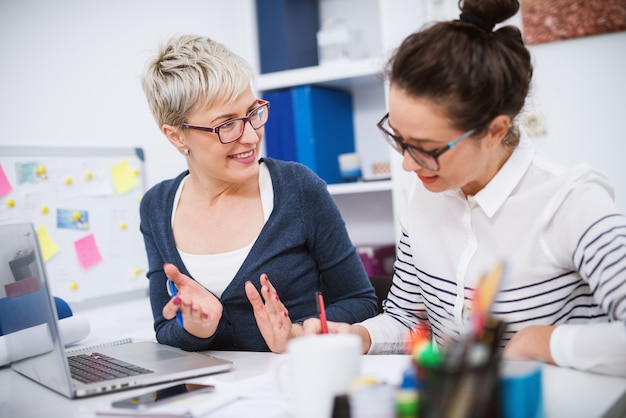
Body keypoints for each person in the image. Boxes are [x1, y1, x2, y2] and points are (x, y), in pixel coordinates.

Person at [303, 0, 626, 376]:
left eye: (425, 149)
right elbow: (409, 320)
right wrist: (358, 336)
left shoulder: (571, 203)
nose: (407, 165)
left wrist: (539, 342)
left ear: (495, 131)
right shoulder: (421, 193)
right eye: (399, 138)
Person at [139, 34, 377, 353]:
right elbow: (164, 328)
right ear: (176, 136)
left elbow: (360, 301)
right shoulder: (156, 206)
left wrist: (300, 333)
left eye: (253, 113)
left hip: (293, 383)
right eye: (227, 125)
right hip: (206, 397)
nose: (251, 136)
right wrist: (197, 328)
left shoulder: (299, 188)